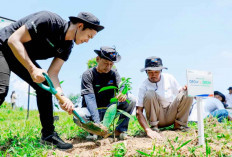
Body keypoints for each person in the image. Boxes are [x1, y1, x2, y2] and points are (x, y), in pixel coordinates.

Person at [0, 11, 104, 150]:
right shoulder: (49, 21)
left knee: (44, 86)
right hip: (4, 45)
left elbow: (53, 74)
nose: (88, 40)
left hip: (18, 56)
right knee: (1, 91)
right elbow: (14, 40)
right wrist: (32, 69)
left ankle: (48, 136)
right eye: (89, 36)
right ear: (80, 26)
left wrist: (63, 99)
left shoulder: (67, 47)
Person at [73, 46, 136, 140]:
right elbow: (90, 100)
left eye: (111, 64)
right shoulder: (88, 75)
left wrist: (123, 93)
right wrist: (97, 123)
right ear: (98, 59)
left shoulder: (114, 73)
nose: (108, 67)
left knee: (131, 99)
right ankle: (93, 131)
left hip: (110, 111)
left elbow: (121, 85)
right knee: (78, 115)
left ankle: (120, 130)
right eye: (106, 63)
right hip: (92, 112)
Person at [136, 56, 193, 139]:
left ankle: (179, 125)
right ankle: (154, 128)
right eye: (150, 72)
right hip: (157, 118)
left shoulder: (169, 78)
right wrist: (148, 130)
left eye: (156, 72)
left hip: (171, 113)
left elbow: (180, 93)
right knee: (149, 94)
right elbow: (139, 111)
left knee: (188, 92)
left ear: (161, 71)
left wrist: (185, 89)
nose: (153, 75)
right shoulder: (143, 86)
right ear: (146, 72)